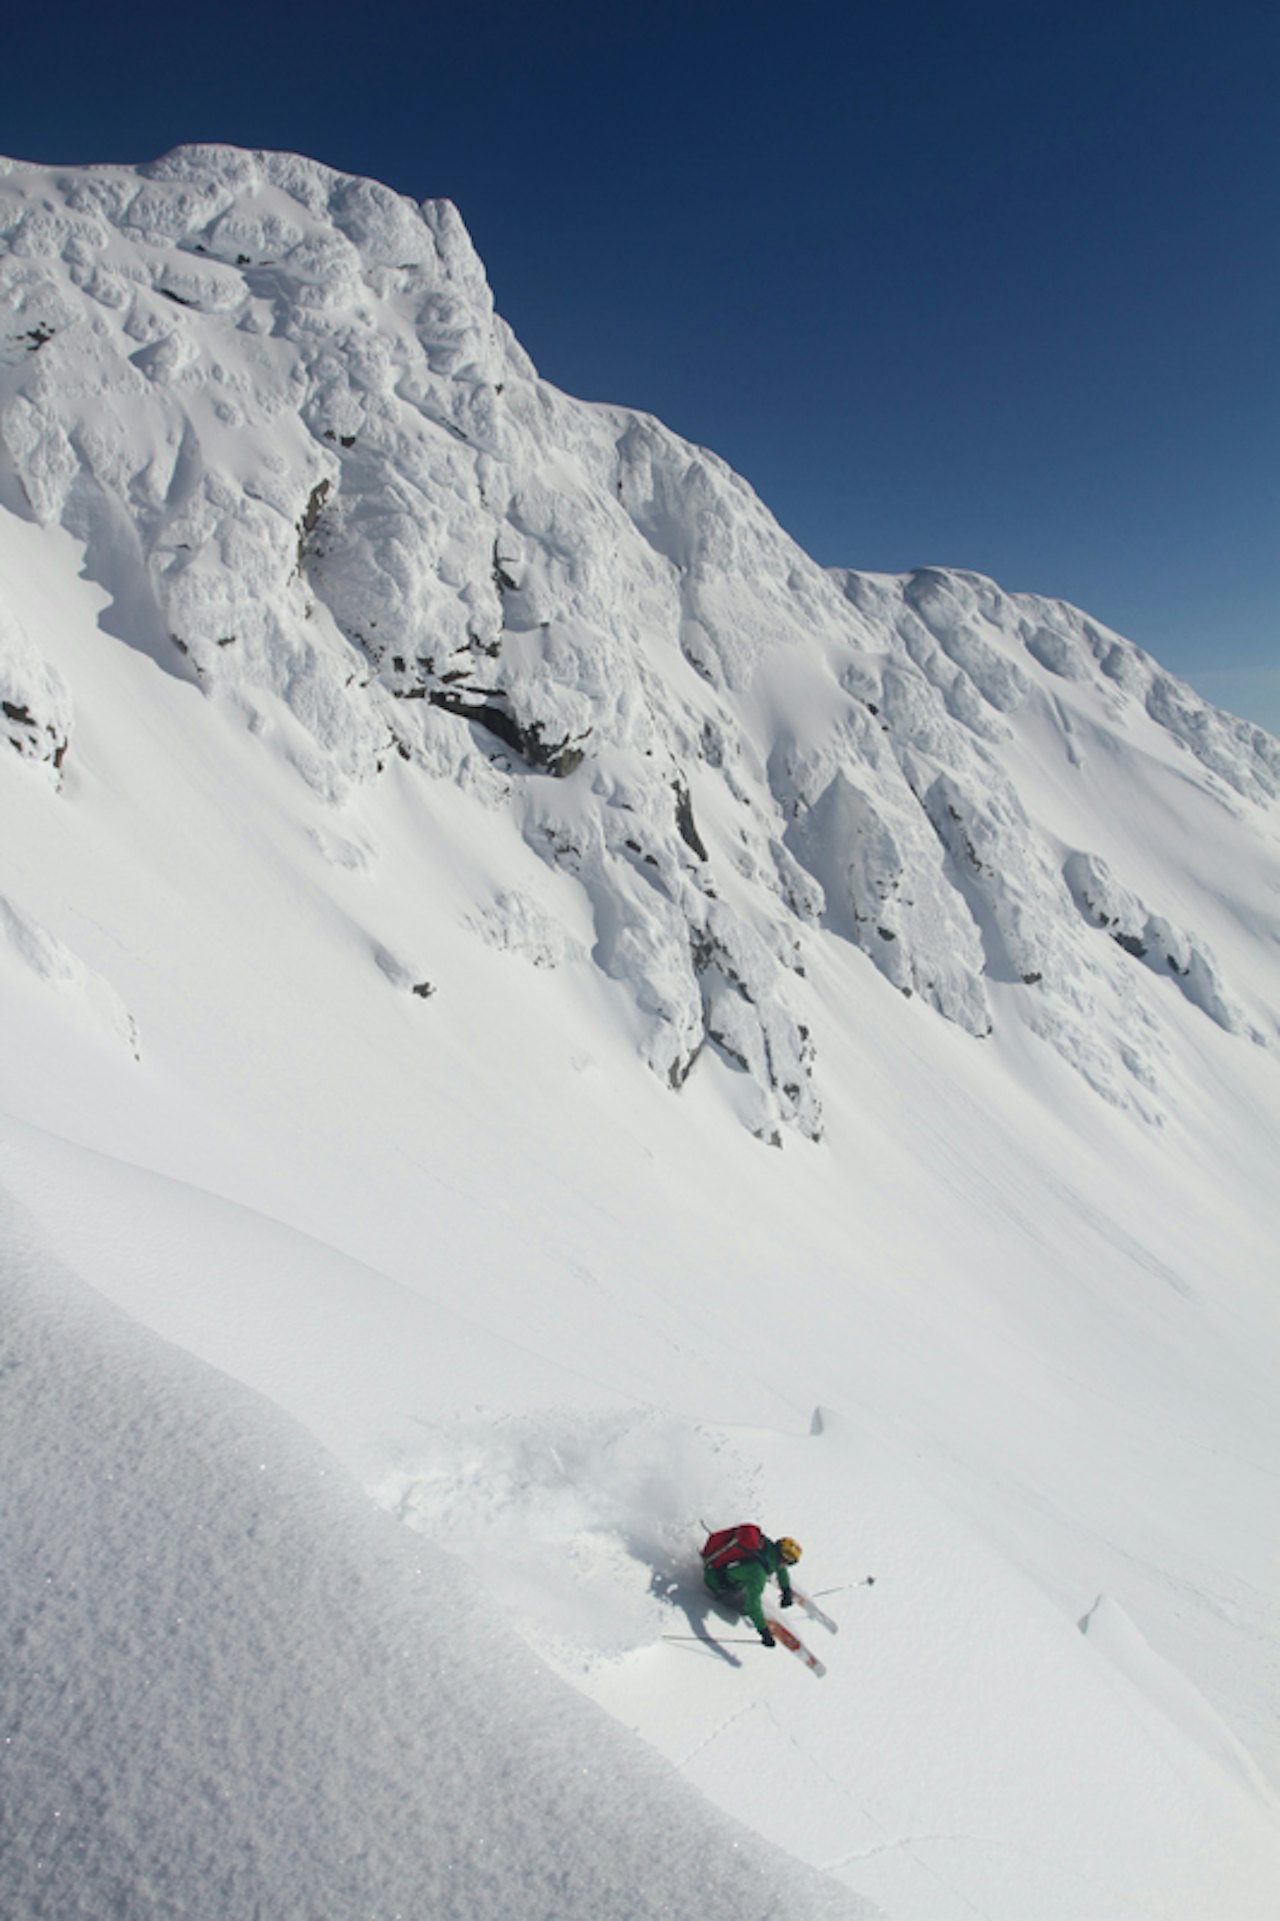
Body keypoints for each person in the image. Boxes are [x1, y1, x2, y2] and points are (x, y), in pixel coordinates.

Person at [703, 1532, 802, 1646]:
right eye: (788, 1564)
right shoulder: (758, 1574)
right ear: (783, 1560)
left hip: (717, 1567)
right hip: (717, 1583)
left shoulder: (767, 1546)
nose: (786, 1567)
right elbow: (752, 1605)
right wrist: (763, 1631)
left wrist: (785, 1588)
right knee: (747, 1606)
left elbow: (779, 1566)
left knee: (753, 1582)